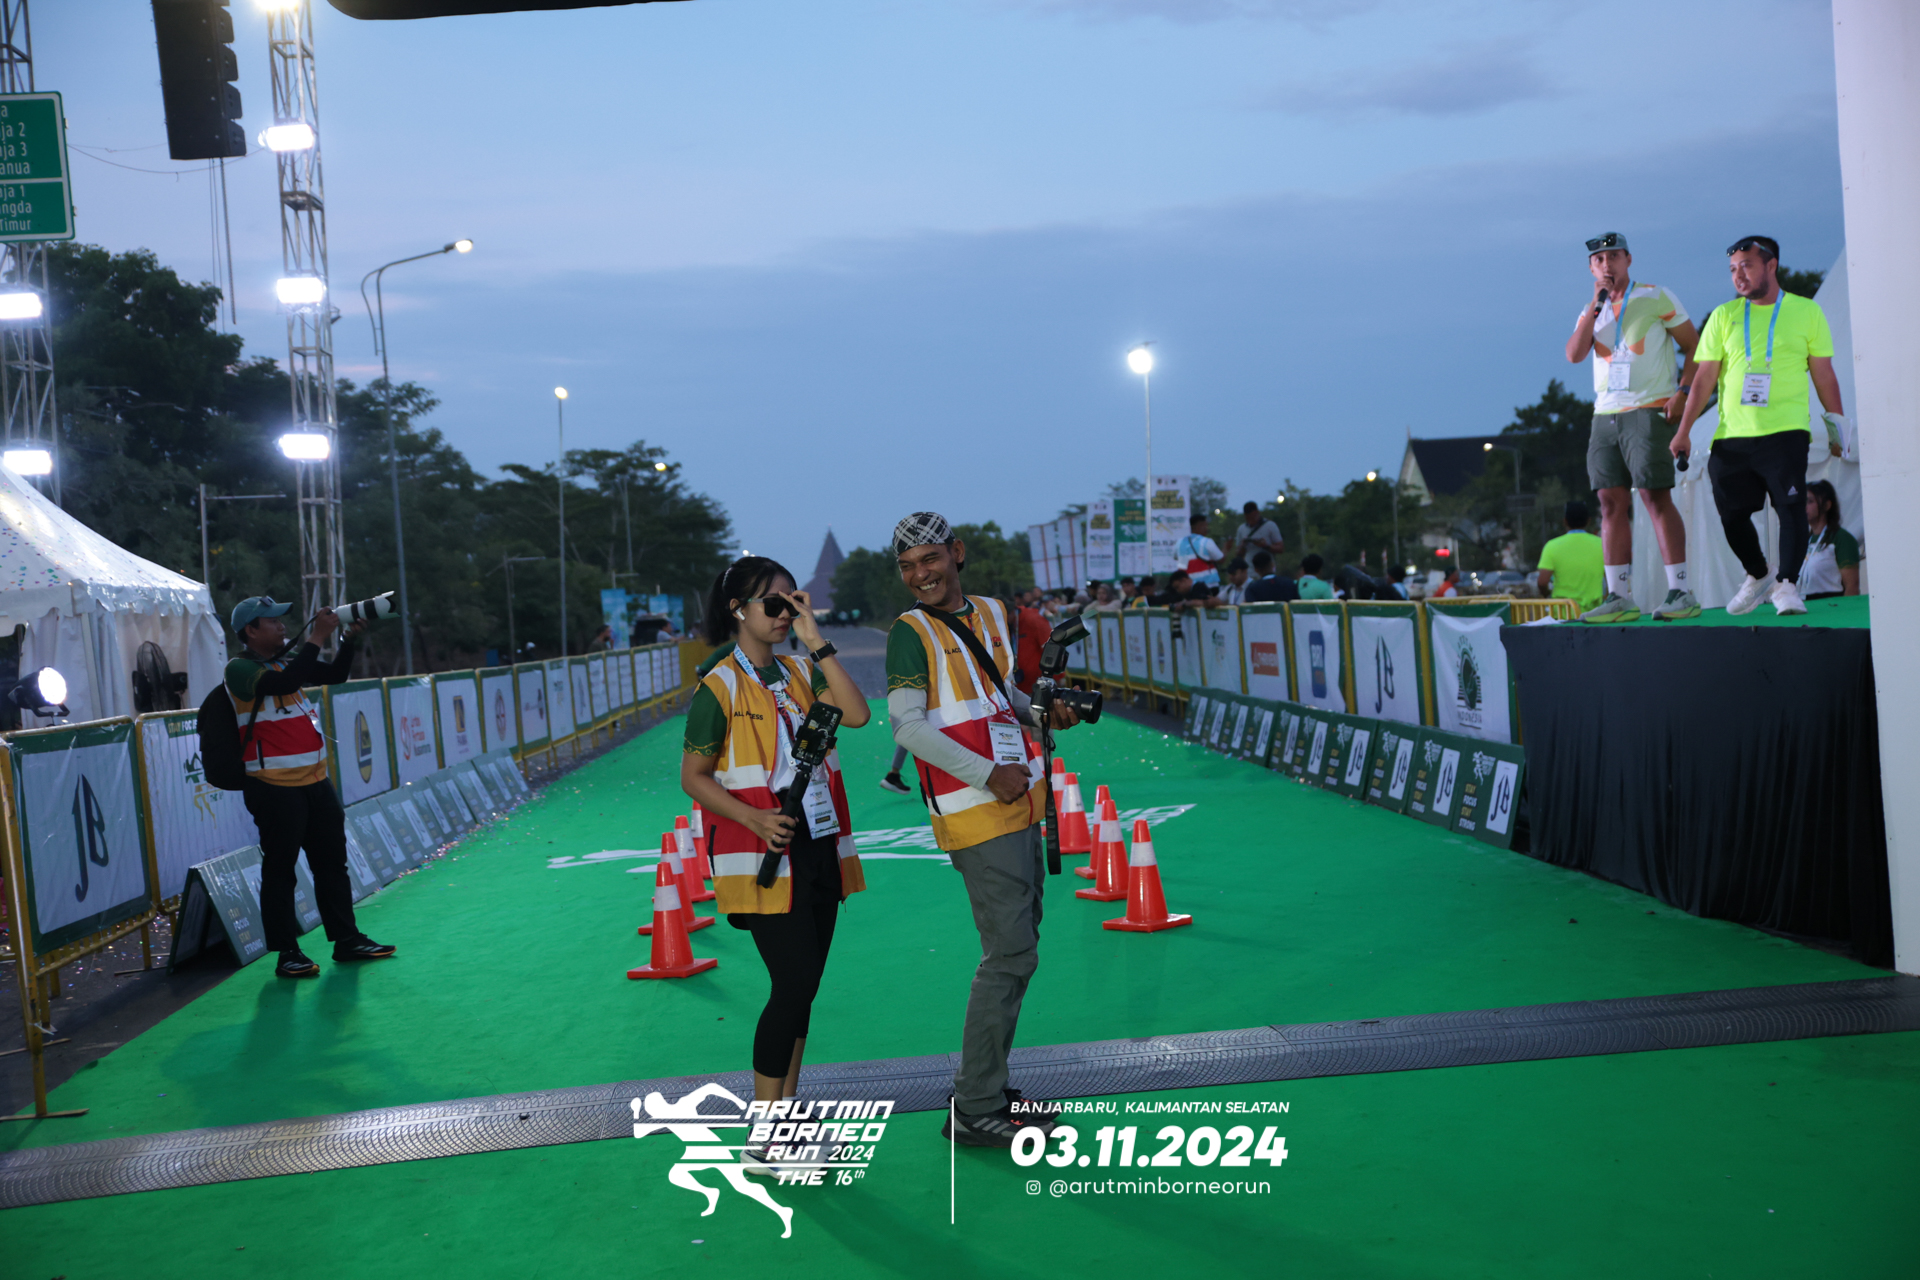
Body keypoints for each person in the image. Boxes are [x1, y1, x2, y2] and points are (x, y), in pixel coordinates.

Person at [885, 511, 1079, 1147]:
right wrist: (987, 773)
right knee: (1010, 955)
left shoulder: (993, 613)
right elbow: (909, 727)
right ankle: (974, 1105)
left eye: (931, 559)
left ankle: (988, 1088)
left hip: (1020, 798)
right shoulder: (909, 631)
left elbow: (1000, 698)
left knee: (1019, 949)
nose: (921, 575)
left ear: (957, 553)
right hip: (976, 807)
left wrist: (1044, 710)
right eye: (909, 566)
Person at [680, 556, 871, 1170]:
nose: (786, 613)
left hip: (819, 845)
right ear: (738, 610)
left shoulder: (798, 670)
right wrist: (756, 819)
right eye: (773, 603)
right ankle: (765, 1135)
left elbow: (857, 714)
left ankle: (787, 1115)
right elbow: (694, 776)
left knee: (804, 989)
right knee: (791, 985)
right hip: (762, 855)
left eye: (794, 602)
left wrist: (818, 642)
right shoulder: (718, 686)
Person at [1673, 235, 1848, 617]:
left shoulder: (1806, 311)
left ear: (1771, 265)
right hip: (1731, 435)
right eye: (1733, 269)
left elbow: (1824, 375)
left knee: (1790, 507)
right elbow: (1704, 379)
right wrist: (1683, 430)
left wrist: (1837, 427)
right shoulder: (1723, 315)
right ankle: (1758, 573)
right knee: (1731, 514)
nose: (1738, 275)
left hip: (1785, 431)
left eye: (1747, 266)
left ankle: (1787, 585)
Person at [225, 596, 393, 979]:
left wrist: (347, 641)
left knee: (332, 865)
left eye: (281, 619)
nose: (282, 625)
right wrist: (317, 636)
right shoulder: (239, 668)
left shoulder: (284, 661)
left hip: (315, 781)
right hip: (273, 786)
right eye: (272, 620)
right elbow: (285, 683)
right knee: (281, 870)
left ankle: (347, 940)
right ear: (251, 630)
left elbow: (335, 676)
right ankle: (287, 953)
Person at [1565, 231, 1702, 622]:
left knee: (1654, 496)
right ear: (1591, 268)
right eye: (1599, 260)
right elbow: (1574, 354)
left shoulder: (1656, 296)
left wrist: (1683, 391)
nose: (1606, 264)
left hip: (1648, 408)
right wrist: (1596, 305)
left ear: (1628, 259)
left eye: (1613, 256)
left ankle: (1681, 591)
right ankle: (1619, 596)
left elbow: (1695, 346)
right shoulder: (1592, 308)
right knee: (1609, 502)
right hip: (1604, 414)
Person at [1536, 500, 1606, 612]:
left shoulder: (1552, 546)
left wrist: (1547, 595)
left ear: (1565, 521)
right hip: (1594, 615)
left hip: (1563, 615)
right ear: (1588, 521)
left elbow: (1542, 582)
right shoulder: (1602, 545)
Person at [1802, 480, 1861, 599]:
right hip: (1805, 604)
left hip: (1832, 605)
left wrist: (1845, 609)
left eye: (1810, 501)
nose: (1804, 507)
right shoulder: (1804, 540)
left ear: (1827, 505)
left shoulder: (1841, 538)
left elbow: (1852, 586)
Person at [1174, 513, 1225, 589]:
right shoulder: (1206, 541)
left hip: (1189, 587)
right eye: (1205, 525)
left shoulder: (1179, 543)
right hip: (1209, 585)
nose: (1207, 528)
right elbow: (1221, 559)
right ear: (1199, 526)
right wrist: (1226, 548)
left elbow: (1176, 557)